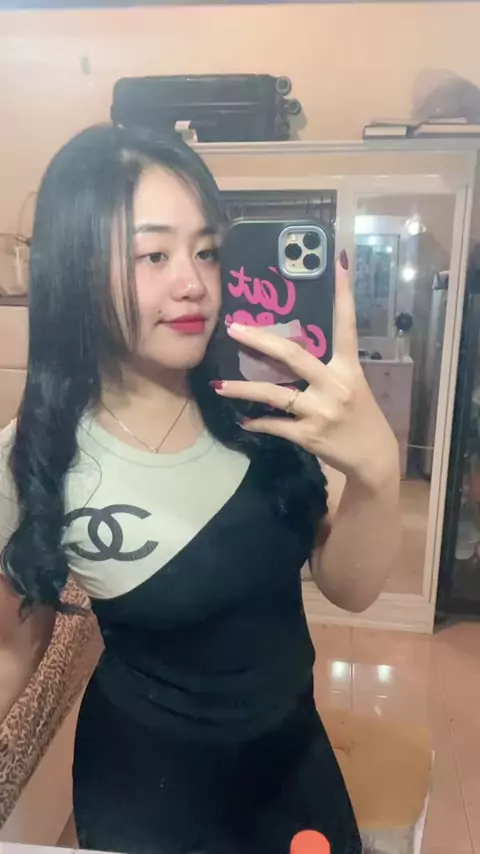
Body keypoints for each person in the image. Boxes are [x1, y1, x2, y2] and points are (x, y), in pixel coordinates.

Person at [0, 124, 400, 854]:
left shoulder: (263, 402)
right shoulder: (36, 452)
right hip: (144, 792)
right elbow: (11, 650)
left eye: (208, 251)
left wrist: (377, 471)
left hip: (292, 761)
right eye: (153, 255)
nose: (193, 283)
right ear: (77, 270)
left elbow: (349, 589)